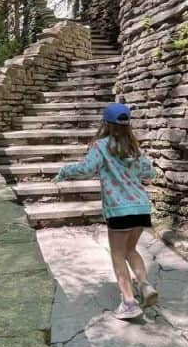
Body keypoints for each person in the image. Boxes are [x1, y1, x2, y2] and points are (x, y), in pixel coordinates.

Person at [54, 102, 158, 320]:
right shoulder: (135, 149)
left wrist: (64, 171)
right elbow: (150, 173)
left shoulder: (101, 146)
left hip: (119, 210)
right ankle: (144, 285)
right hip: (141, 207)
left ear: (105, 124)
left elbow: (86, 169)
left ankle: (129, 303)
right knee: (131, 249)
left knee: (118, 253)